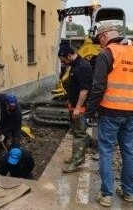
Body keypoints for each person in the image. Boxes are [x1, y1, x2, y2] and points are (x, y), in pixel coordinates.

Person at [86, 23, 133, 207]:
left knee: (106, 151)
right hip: (131, 113)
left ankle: (106, 195)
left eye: (99, 40)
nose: (100, 44)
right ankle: (129, 192)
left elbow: (98, 86)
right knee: (128, 152)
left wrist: (90, 111)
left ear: (104, 36)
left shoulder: (107, 53)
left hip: (110, 112)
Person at [58, 43, 93, 173]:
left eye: (64, 60)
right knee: (76, 132)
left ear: (69, 55)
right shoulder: (74, 65)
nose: (64, 63)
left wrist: (78, 108)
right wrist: (69, 100)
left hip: (81, 108)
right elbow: (74, 86)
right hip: (74, 106)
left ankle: (77, 162)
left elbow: (84, 90)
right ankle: (75, 157)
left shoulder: (82, 67)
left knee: (79, 135)